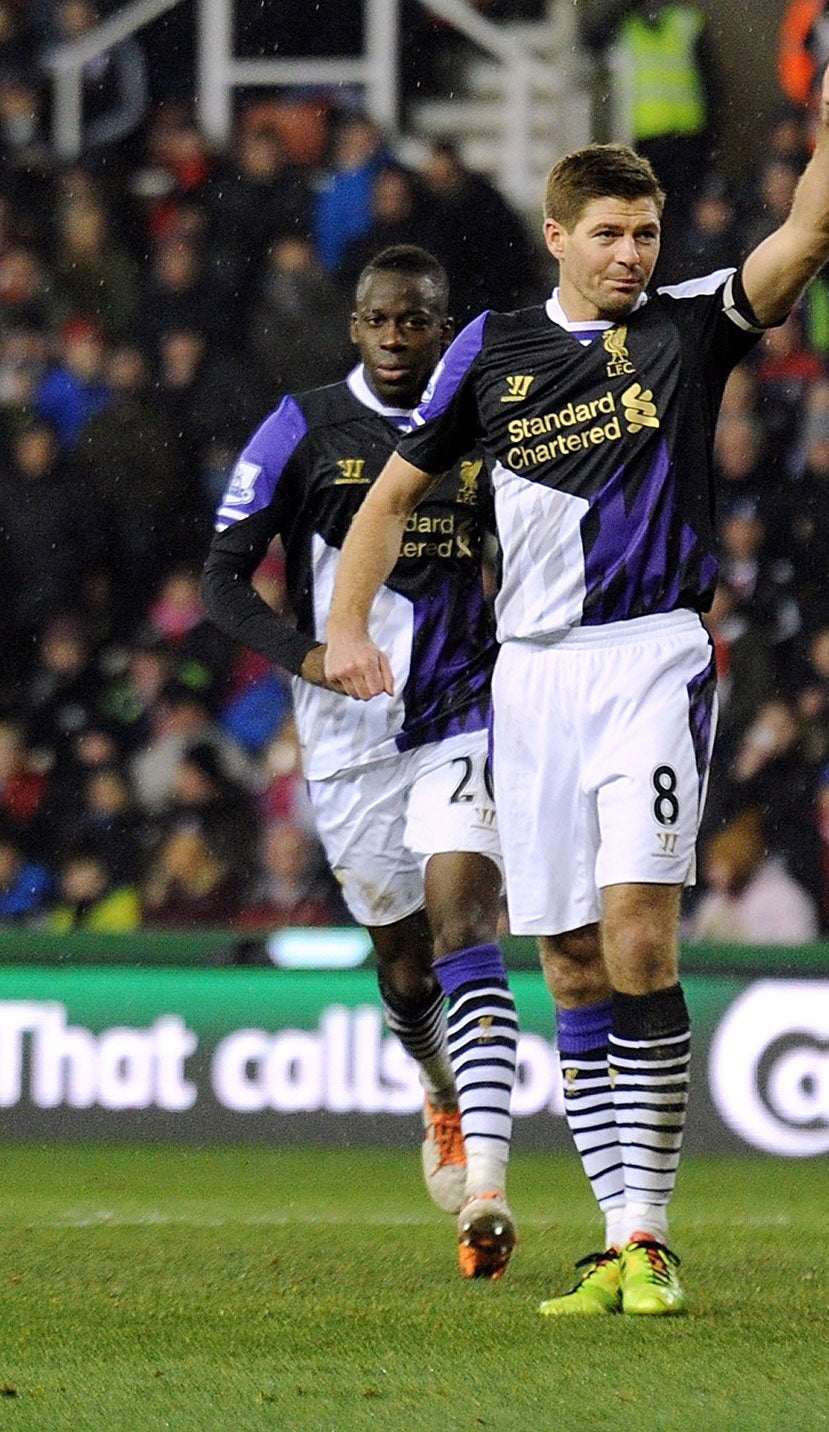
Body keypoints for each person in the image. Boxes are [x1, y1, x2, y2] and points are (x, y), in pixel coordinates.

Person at [324, 26, 829, 1318]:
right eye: (613, 235)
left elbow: (804, 240)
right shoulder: (491, 352)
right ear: (561, 235)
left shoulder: (691, 328)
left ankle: (648, 1233)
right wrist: (347, 627)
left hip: (651, 660)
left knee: (640, 932)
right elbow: (393, 497)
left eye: (647, 232)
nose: (635, 254)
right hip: (531, 681)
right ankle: (618, 1243)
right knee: (570, 961)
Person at [200, 245, 515, 1279]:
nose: (395, 339)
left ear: (441, 323)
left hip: (461, 712)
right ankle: (439, 1093)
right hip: (345, 738)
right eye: (378, 321)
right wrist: (311, 656)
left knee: (468, 917)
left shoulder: (486, 423)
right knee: (405, 960)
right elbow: (220, 582)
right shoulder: (300, 426)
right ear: (354, 327)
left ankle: (489, 1179)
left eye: (416, 322)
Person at [607, 0, 719, 217]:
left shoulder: (685, 20)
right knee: (651, 211)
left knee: (684, 209)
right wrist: (627, 1)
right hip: (646, 137)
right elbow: (591, 37)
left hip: (689, 135)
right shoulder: (627, 23)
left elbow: (710, 80)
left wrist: (712, 132)